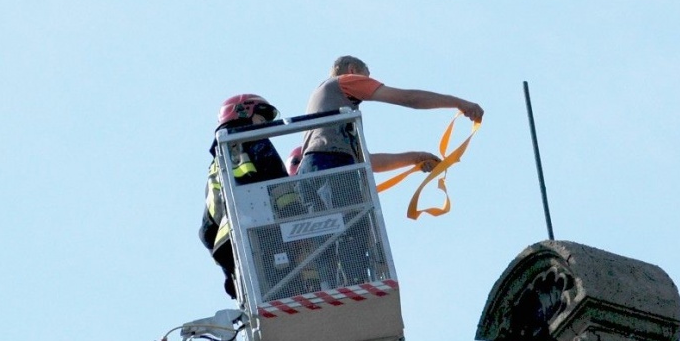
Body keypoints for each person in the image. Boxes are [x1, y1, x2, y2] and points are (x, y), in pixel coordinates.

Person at [297, 55, 484, 287]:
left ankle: (336, 288)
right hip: (332, 167)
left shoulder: (330, 111)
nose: (370, 83)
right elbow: (408, 98)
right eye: (367, 76)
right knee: (352, 232)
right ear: (353, 70)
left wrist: (416, 158)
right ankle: (357, 286)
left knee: (326, 240)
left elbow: (368, 162)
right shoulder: (345, 82)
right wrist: (460, 103)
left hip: (311, 172)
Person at [200, 94, 287, 298]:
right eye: (261, 118)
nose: (265, 125)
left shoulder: (215, 167)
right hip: (265, 230)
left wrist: (229, 273)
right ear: (243, 112)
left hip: (231, 244)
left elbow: (205, 232)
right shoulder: (255, 140)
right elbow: (278, 181)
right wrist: (293, 209)